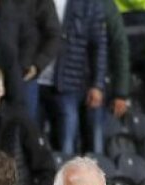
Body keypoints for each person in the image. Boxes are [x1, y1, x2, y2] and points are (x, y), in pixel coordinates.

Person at [36, 0, 107, 154]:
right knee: (33, 145)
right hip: (33, 82)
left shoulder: (89, 4)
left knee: (66, 147)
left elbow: (98, 46)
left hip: (67, 85)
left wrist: (97, 84)